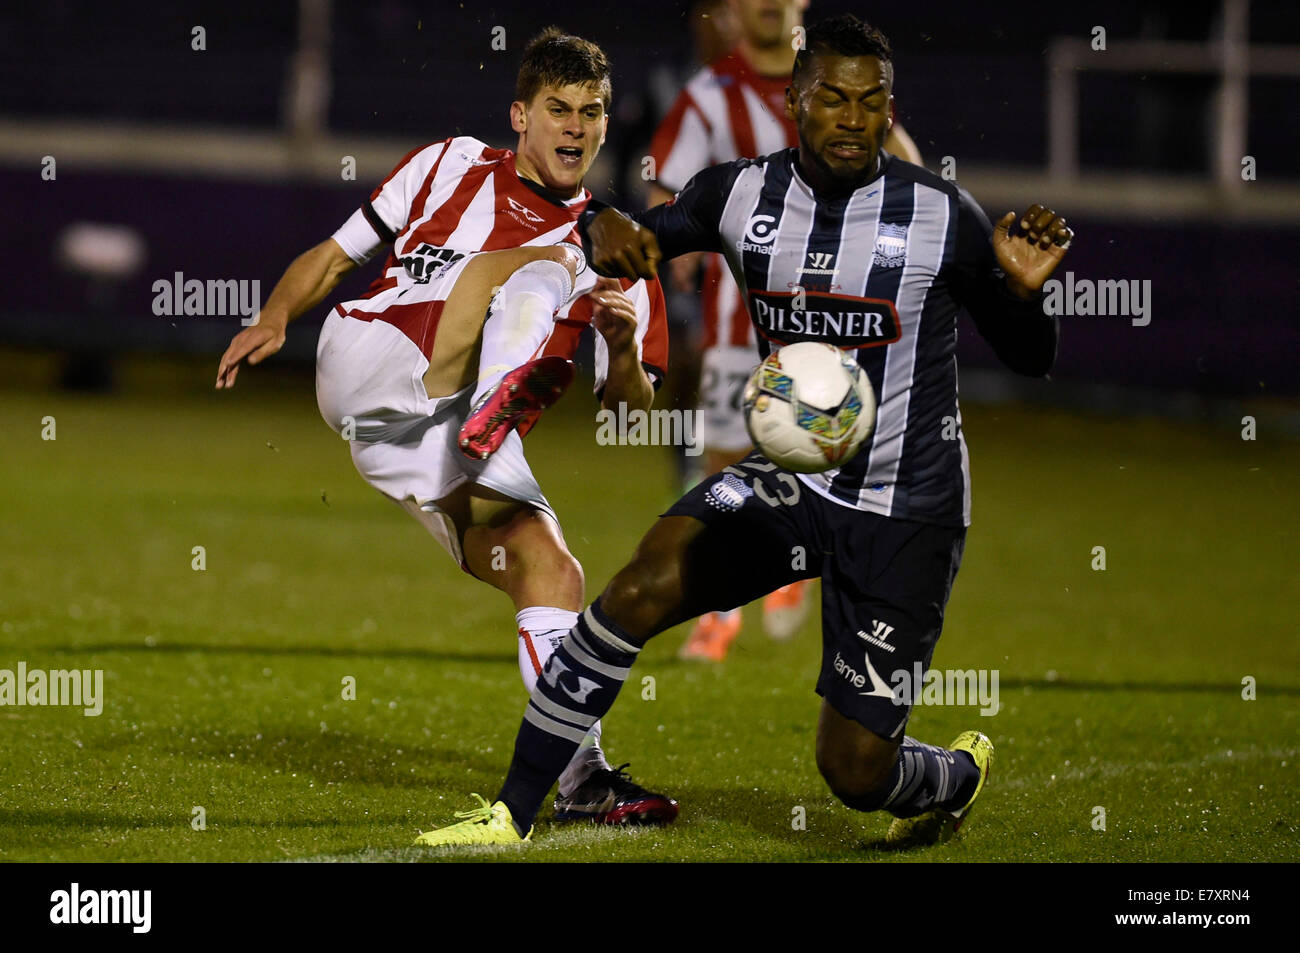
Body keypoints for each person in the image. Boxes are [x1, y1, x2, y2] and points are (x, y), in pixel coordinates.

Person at [412, 14, 1074, 849]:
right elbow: (639, 235)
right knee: (640, 584)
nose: (851, 118)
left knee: (857, 771)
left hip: (906, 507)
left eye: (871, 103)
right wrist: (599, 227)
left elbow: (1031, 358)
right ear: (796, 99)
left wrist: (1021, 294)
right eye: (831, 97)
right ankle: (511, 810)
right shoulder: (741, 193)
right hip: (788, 482)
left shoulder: (943, 216)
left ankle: (953, 774)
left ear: (887, 110)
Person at [214, 27, 678, 828]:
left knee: (549, 569)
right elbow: (334, 255)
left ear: (606, 124)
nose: (575, 127)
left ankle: (581, 778)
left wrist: (624, 345)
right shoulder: (451, 163)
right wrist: (274, 314)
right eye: (557, 109)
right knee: (550, 265)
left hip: (418, 429)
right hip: (369, 352)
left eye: (591, 112)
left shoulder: (625, 257)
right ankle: (500, 406)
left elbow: (633, 407)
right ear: (520, 117)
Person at [648, 0, 923, 660]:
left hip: (832, 321)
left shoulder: (832, 85)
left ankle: (803, 569)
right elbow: (664, 187)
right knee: (720, 470)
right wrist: (677, 241)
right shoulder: (710, 95)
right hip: (736, 321)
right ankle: (723, 606)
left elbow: (907, 164)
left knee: (828, 463)